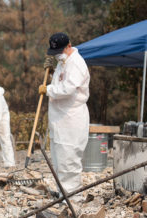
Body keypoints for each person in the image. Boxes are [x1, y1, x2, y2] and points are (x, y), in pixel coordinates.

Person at [38, 33, 90, 200]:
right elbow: (61, 81)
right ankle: (63, 193)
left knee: (69, 160)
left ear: (69, 45)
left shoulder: (76, 63)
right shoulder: (63, 61)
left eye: (60, 51)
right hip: (60, 118)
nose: (58, 55)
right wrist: (52, 73)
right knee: (60, 159)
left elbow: (68, 89)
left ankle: (73, 198)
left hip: (72, 118)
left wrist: (48, 90)